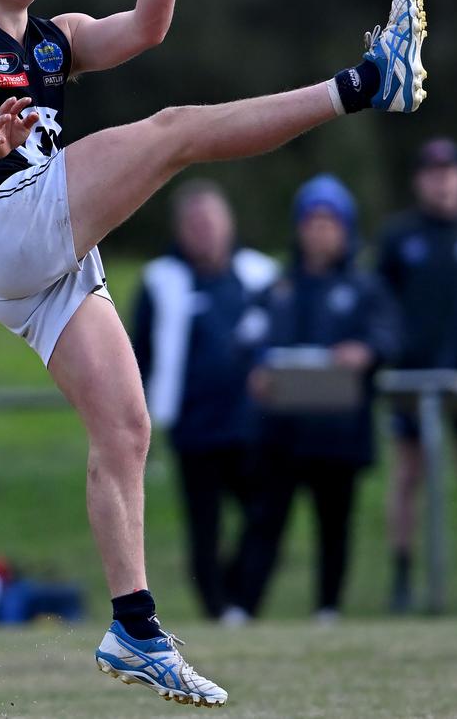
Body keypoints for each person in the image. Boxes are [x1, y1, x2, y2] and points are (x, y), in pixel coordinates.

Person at [0, 0, 427, 707]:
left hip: (37, 264)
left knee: (126, 427)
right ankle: (367, 81)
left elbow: (146, 28)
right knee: (176, 131)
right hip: (6, 226)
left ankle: (134, 626)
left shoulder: (53, 39)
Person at [245, 175, 401, 622]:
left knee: (334, 524)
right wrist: (257, 370)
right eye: (311, 221)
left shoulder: (364, 288)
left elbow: (388, 336)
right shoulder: (280, 287)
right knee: (266, 521)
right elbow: (250, 340)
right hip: (282, 430)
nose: (319, 230)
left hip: (338, 432)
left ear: (346, 228)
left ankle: (328, 607)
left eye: (329, 222)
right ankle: (245, 608)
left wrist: (365, 352)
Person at [132, 179, 279, 624]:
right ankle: (217, 609)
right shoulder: (162, 280)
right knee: (204, 526)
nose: (205, 232)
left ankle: (243, 598)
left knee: (266, 513)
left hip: (255, 424)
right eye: (194, 225)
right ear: (180, 230)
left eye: (212, 222)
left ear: (229, 223)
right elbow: (139, 353)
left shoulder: (260, 275)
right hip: (194, 425)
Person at [377, 138, 457, 614]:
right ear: (420, 181)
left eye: (451, 171)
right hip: (413, 378)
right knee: (407, 477)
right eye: (433, 173)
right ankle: (402, 577)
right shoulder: (400, 238)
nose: (442, 181)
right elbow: (379, 304)